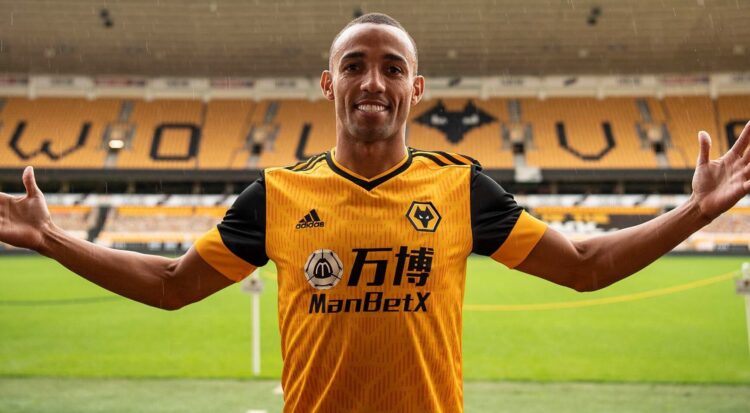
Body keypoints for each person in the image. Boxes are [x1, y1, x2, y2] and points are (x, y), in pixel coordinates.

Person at [1, 12, 749, 413]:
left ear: (415, 89)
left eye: (393, 68)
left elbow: (586, 266)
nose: (373, 82)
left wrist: (697, 209)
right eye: (354, 65)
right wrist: (50, 237)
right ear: (328, 83)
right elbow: (171, 284)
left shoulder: (462, 188)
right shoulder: (278, 194)